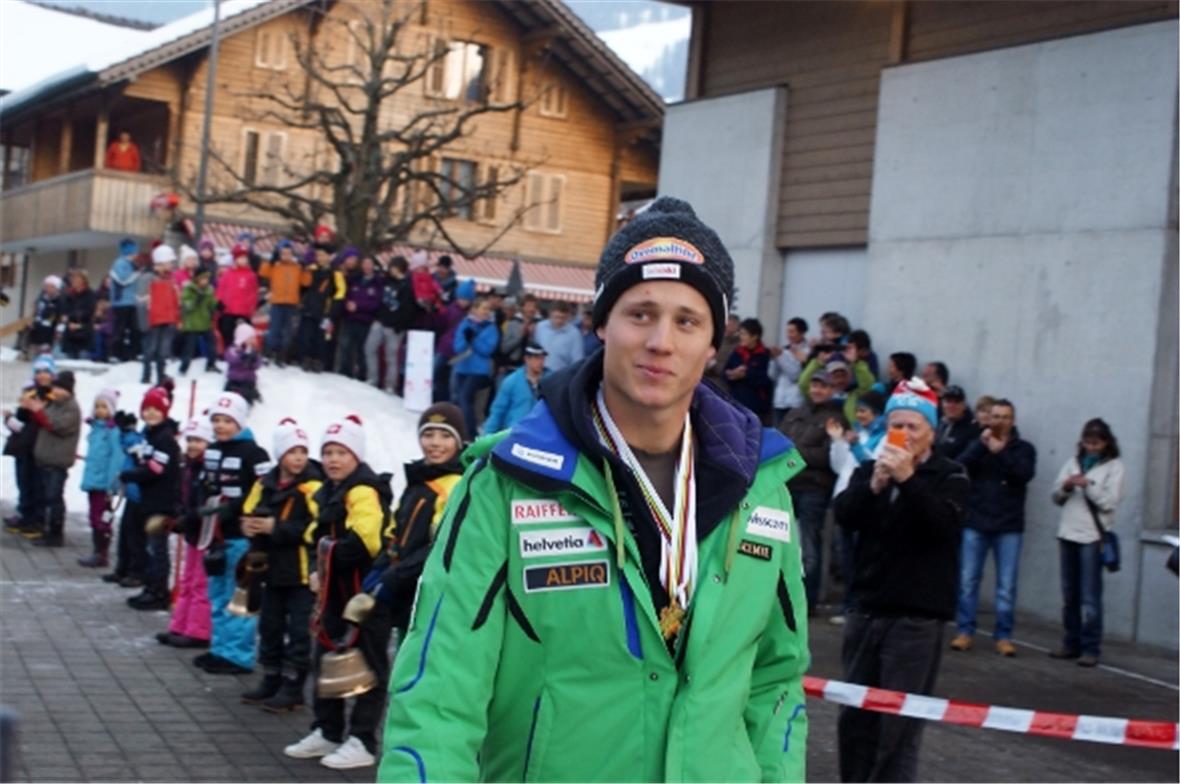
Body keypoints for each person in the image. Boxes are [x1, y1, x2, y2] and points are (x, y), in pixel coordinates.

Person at [379, 196, 810, 782]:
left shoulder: (764, 488)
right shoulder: (507, 481)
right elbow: (438, 693)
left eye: (687, 320)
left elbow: (775, 683)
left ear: (713, 344)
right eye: (640, 313)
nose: (661, 340)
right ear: (601, 322)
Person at [832, 378, 969, 783]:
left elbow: (943, 525)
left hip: (915, 618)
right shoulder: (874, 464)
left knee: (899, 729)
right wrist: (874, 487)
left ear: (931, 431)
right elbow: (844, 514)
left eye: (913, 427)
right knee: (853, 719)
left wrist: (909, 480)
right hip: (866, 609)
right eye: (898, 425)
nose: (904, 435)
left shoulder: (951, 474)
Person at [284, 415, 393, 770]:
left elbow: (366, 541)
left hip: (364, 595)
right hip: (335, 593)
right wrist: (320, 568)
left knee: (369, 666)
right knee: (325, 660)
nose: (332, 460)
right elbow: (319, 538)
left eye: (341, 453)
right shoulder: (329, 490)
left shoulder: (363, 490)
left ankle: (362, 739)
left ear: (356, 456)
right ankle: (327, 730)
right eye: (328, 452)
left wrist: (327, 557)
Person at [239, 418, 324, 712]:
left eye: (302, 451)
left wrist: (277, 527)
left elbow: (318, 526)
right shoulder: (265, 482)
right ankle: (271, 678)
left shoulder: (313, 486)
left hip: (300, 573)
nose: (298, 458)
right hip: (271, 570)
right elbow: (249, 509)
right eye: (292, 451)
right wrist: (248, 525)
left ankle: (294, 685)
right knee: (270, 626)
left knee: (300, 631)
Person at [364, 403, 465, 641]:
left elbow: (440, 546)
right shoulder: (419, 480)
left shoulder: (456, 485)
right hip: (405, 589)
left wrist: (394, 577)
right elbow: (395, 530)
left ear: (459, 442)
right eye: (428, 435)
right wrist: (380, 566)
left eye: (445, 435)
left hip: (432, 591)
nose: (435, 443)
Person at [950, 398, 1037, 656]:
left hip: (1008, 525)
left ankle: (1004, 635)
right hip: (976, 521)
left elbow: (1023, 474)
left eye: (1005, 417)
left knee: (1006, 586)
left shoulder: (1024, 448)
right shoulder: (979, 444)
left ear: (1013, 421)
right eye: (995, 416)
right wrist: (981, 444)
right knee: (967, 581)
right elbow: (960, 464)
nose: (1000, 421)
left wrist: (1002, 453)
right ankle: (964, 631)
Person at [197, 392, 270, 675]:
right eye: (216, 420)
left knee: (238, 597)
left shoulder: (255, 453)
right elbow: (208, 485)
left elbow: (264, 491)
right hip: (217, 536)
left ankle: (238, 655)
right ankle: (219, 648)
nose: (220, 426)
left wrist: (236, 509)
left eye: (227, 420)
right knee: (217, 594)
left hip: (242, 537)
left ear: (239, 421)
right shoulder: (213, 450)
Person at [1049, 419, 1125, 667]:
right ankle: (1071, 643)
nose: (1091, 447)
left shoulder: (1114, 467)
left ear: (1106, 443)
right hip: (1067, 533)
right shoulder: (1073, 462)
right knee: (1069, 594)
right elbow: (1056, 497)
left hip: (1092, 537)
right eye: (1087, 442)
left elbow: (1110, 502)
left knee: (1090, 596)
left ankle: (1091, 648)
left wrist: (1088, 485)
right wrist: (1067, 486)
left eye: (1096, 443)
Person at [779, 367, 847, 613]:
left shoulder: (836, 419)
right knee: (783, 544)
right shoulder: (796, 413)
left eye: (824, 386)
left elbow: (829, 456)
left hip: (814, 489)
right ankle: (783, 597)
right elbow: (779, 441)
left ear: (831, 390)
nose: (818, 389)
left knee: (810, 547)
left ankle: (807, 601)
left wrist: (795, 454)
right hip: (786, 485)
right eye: (815, 385)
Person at [121, 381, 182, 610]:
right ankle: (150, 586)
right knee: (149, 545)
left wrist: (132, 474)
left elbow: (156, 469)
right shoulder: (150, 435)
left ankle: (158, 591)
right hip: (150, 499)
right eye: (147, 409)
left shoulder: (164, 438)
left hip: (161, 501)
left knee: (157, 548)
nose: (151, 413)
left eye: (156, 409)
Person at [157, 416, 216, 649]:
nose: (193, 445)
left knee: (200, 582)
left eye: (199, 440)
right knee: (187, 579)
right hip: (193, 533)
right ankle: (180, 624)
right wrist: (178, 514)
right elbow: (184, 498)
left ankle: (199, 630)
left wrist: (187, 517)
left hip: (205, 535)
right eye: (190, 439)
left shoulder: (207, 469)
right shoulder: (188, 467)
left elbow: (206, 504)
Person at [28, 370, 82, 548]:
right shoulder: (54, 403)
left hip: (57, 462)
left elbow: (57, 426)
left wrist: (40, 412)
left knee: (54, 497)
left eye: (59, 388)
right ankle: (46, 529)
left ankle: (55, 533)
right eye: (55, 387)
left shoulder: (71, 408)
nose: (56, 391)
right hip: (45, 459)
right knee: (45, 496)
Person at [3, 356, 55, 537]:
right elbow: (24, 422)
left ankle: (37, 520)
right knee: (24, 481)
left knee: (38, 484)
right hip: (26, 446)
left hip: (39, 446)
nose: (42, 375)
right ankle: (26, 515)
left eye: (46, 372)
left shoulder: (51, 396)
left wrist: (15, 419)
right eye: (38, 372)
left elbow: (43, 422)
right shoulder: (31, 392)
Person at [77, 388, 126, 568]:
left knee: (102, 518)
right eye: (97, 406)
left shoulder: (112, 431)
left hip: (104, 484)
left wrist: (112, 484)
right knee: (94, 515)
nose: (99, 411)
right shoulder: (96, 429)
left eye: (104, 407)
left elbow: (116, 458)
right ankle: (97, 549)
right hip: (93, 481)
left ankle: (101, 552)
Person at [365, 255, 417, 394]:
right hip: (380, 321)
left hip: (394, 327)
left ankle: (390, 385)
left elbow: (408, 310)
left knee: (391, 357)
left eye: (393, 267)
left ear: (399, 269)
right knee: (370, 348)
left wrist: (399, 326)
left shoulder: (407, 287)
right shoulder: (386, 281)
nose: (391, 270)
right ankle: (372, 378)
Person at [450, 294, 499, 437]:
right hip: (462, 367)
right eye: (484, 308)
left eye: (488, 309)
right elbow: (458, 347)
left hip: (479, 371)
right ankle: (458, 429)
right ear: (475, 309)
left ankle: (470, 434)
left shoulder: (491, 328)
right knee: (458, 399)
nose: (486, 311)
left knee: (465, 397)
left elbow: (488, 350)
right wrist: (466, 339)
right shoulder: (465, 323)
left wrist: (474, 340)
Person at [297, 242, 345, 373]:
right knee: (306, 336)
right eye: (318, 255)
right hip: (309, 308)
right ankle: (305, 358)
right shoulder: (311, 269)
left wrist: (332, 311)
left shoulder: (336, 273)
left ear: (329, 257)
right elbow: (303, 286)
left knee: (321, 338)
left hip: (325, 311)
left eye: (323, 255)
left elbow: (340, 293)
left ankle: (318, 361)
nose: (320, 258)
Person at [483, 342, 548, 433]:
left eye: (542, 358)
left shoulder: (550, 381)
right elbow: (498, 411)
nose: (541, 362)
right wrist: (486, 437)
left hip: (540, 433)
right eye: (537, 358)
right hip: (516, 433)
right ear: (526, 359)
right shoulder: (511, 381)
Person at [336, 256, 383, 379]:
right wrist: (347, 304)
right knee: (346, 346)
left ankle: (362, 374)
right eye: (365, 263)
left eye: (369, 264)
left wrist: (359, 306)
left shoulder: (378, 282)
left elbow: (376, 303)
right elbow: (345, 293)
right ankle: (344, 371)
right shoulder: (355, 279)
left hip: (365, 320)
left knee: (362, 349)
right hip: (350, 318)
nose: (367, 266)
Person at [259, 240, 303, 365]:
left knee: (287, 331)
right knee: (274, 329)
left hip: (291, 303)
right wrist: (271, 261)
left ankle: (281, 355)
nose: (286, 256)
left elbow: (306, 282)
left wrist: (305, 269)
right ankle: (268, 353)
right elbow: (263, 272)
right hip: (277, 301)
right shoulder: (275, 266)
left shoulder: (296, 268)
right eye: (283, 253)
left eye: (288, 253)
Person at [142, 244, 180, 385]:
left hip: (168, 320)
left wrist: (176, 318)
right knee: (151, 349)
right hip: (155, 320)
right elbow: (145, 302)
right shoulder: (150, 279)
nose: (171, 266)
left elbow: (175, 301)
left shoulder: (172, 281)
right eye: (169, 263)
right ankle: (146, 375)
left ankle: (160, 376)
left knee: (163, 351)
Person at [724, 317, 774, 423]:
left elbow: (767, 380)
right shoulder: (737, 352)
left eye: (744, 334)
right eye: (740, 333)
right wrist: (731, 374)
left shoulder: (765, 354)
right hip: (735, 403)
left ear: (755, 336)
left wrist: (746, 374)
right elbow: (725, 372)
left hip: (756, 407)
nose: (740, 337)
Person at [432, 279, 474, 403]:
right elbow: (440, 325)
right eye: (461, 298)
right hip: (444, 347)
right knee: (434, 373)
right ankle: (434, 397)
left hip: (459, 353)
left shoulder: (471, 315)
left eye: (466, 299)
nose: (463, 301)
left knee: (453, 381)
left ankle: (448, 403)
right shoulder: (450, 310)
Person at [215, 243, 260, 356]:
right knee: (227, 333)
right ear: (235, 259)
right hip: (228, 311)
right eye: (240, 257)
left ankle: (243, 355)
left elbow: (253, 293)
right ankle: (228, 354)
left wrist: (251, 307)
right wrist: (219, 302)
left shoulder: (251, 275)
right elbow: (221, 289)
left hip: (244, 312)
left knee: (244, 335)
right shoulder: (227, 274)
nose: (243, 260)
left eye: (245, 257)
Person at [178, 267, 220, 374]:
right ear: (197, 279)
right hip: (192, 324)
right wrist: (196, 300)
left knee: (212, 343)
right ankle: (184, 367)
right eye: (203, 278)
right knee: (189, 348)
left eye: (207, 278)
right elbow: (186, 306)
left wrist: (217, 305)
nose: (205, 281)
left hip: (205, 323)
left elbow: (211, 303)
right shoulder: (189, 289)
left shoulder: (209, 289)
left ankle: (211, 364)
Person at [770, 316, 809, 422]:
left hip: (796, 402)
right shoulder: (784, 349)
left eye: (792, 332)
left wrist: (780, 357)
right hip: (779, 401)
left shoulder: (807, 351)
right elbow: (772, 375)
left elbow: (795, 375)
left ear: (802, 332)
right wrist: (773, 359)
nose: (789, 335)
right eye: (787, 332)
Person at [109, 238, 142, 361]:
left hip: (131, 301)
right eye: (135, 251)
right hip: (121, 302)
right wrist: (136, 274)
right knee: (120, 329)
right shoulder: (119, 263)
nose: (136, 254)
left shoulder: (131, 264)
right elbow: (122, 280)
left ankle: (132, 353)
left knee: (134, 329)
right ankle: (115, 354)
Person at [532, 300, 584, 373]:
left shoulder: (574, 334)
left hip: (560, 376)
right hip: (539, 374)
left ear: (568, 316)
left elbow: (577, 361)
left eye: (562, 318)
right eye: (556, 317)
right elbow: (534, 351)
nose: (559, 320)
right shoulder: (540, 327)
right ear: (550, 314)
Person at [933, 385, 979, 462]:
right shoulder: (936, 423)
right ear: (942, 404)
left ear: (964, 405)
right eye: (948, 401)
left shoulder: (972, 430)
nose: (952, 406)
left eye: (957, 402)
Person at [499, 292, 541, 372]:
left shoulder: (539, 325)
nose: (532, 309)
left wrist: (531, 335)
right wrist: (520, 336)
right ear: (522, 307)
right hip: (511, 366)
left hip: (529, 368)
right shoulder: (512, 323)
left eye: (534, 307)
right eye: (529, 306)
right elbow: (504, 348)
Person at [60, 270, 96, 359]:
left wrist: (75, 319)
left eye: (76, 279)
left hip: (84, 330)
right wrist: (68, 322)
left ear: (83, 280)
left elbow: (89, 311)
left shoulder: (90, 294)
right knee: (69, 360)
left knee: (83, 361)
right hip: (70, 333)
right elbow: (64, 312)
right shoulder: (69, 295)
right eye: (73, 279)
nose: (74, 281)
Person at [225, 323, 262, 404]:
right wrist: (242, 356)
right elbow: (231, 359)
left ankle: (250, 398)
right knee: (228, 397)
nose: (253, 339)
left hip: (248, 380)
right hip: (234, 379)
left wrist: (253, 361)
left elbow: (258, 364)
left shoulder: (253, 350)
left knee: (247, 397)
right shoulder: (233, 349)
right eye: (250, 337)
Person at [27, 275, 63, 353]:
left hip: (49, 333)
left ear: (56, 288)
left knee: (45, 356)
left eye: (50, 286)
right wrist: (31, 320)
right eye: (46, 286)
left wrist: (58, 330)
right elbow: (35, 311)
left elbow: (60, 317)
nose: (47, 289)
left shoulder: (59, 301)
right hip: (36, 331)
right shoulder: (41, 298)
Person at [705, 312, 741, 389]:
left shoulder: (738, 345)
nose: (729, 327)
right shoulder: (715, 338)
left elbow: (730, 369)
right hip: (704, 379)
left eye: (732, 324)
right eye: (728, 324)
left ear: (737, 327)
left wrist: (713, 365)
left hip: (721, 384)